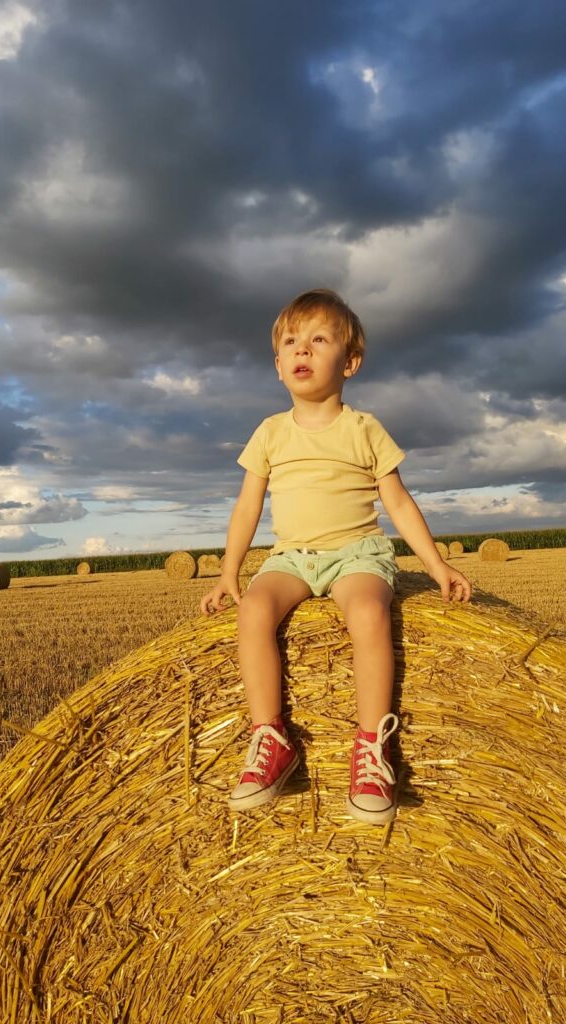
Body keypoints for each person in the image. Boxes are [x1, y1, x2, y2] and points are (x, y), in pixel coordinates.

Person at [200, 288, 471, 825]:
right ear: (277, 365)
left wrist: (437, 564)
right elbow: (247, 504)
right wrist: (229, 570)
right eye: (290, 342)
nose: (302, 350)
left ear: (349, 362)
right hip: (291, 557)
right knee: (253, 611)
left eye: (318, 340)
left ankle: (372, 747)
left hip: (356, 553)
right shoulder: (270, 433)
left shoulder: (364, 428)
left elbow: (397, 500)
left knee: (368, 614)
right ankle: (270, 738)